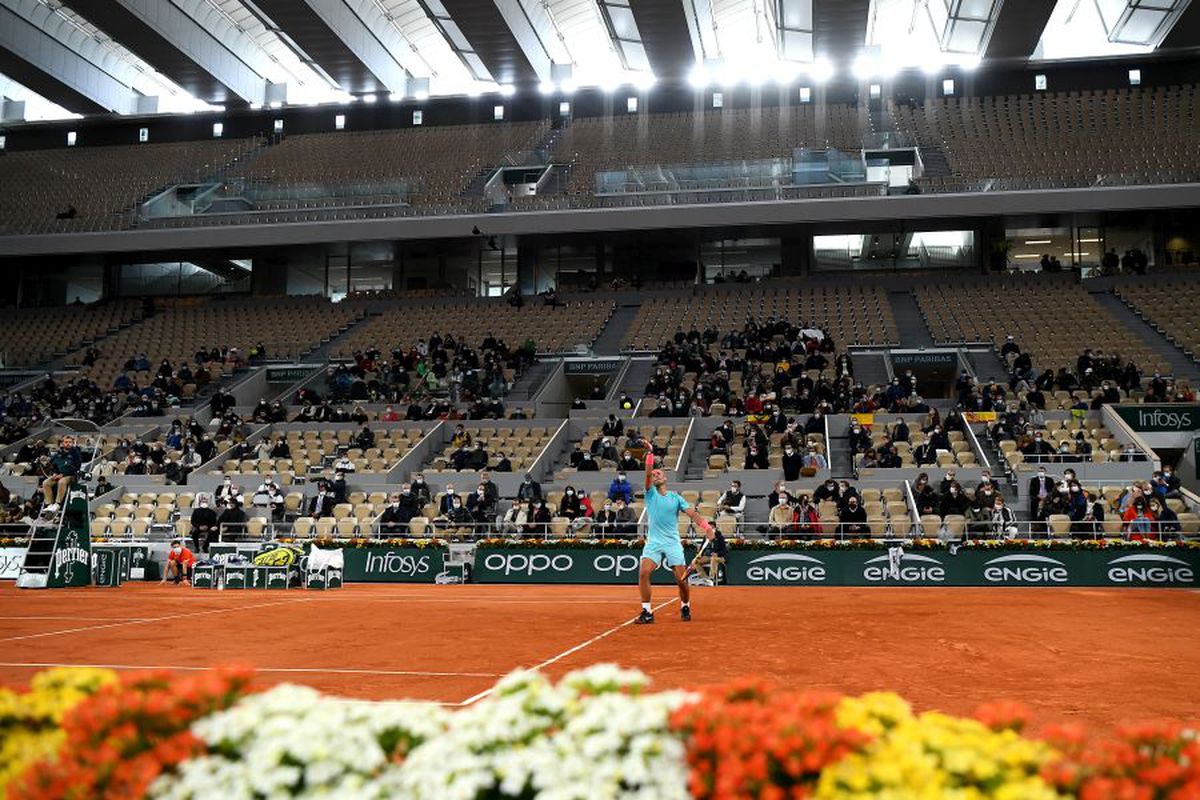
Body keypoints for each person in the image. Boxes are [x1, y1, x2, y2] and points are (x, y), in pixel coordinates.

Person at [635, 445, 714, 625]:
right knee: (644, 573)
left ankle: (685, 605)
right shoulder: (650, 494)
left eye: (658, 473)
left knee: (681, 580)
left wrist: (707, 528)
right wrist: (650, 454)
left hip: (672, 542)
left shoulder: (676, 498)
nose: (655, 475)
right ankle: (647, 612)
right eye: (653, 474)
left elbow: (693, 514)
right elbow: (647, 475)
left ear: (665, 478)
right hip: (654, 542)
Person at [41, 435, 83, 513]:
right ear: (63, 443)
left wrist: (63, 475)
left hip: (72, 476)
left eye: (70, 442)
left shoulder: (76, 453)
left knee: (61, 481)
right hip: (59, 475)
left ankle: (58, 503)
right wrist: (55, 473)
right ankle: (49, 504)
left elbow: (76, 467)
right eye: (66, 442)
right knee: (46, 483)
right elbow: (54, 465)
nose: (68, 444)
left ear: (73, 443)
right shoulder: (59, 453)